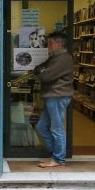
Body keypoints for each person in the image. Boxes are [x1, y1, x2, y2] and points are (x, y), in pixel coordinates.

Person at [32, 31, 74, 168]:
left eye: (50, 43)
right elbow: (38, 68)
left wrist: (43, 71)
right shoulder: (54, 58)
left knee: (57, 128)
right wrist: (42, 70)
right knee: (42, 127)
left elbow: (45, 76)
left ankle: (59, 159)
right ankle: (55, 153)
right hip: (52, 96)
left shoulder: (63, 59)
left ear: (60, 44)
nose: (48, 46)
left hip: (57, 96)